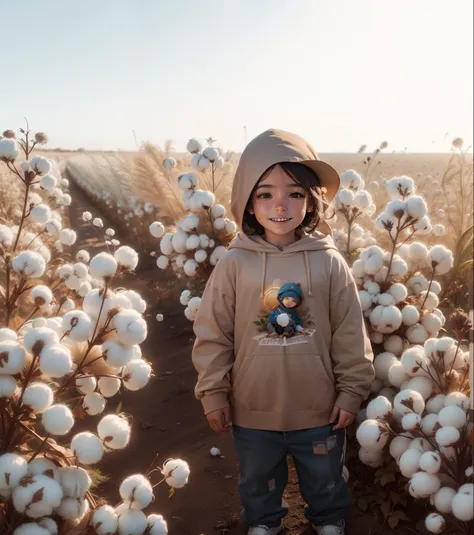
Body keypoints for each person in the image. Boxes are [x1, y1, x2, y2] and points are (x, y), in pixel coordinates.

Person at [192, 129, 374, 535]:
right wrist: (214, 390)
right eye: (264, 193)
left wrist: (350, 390)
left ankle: (328, 521)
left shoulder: (329, 263)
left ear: (312, 201)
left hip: (320, 409)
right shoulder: (234, 263)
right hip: (252, 409)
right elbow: (213, 331)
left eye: (294, 193)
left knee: (326, 479)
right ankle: (263, 524)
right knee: (258, 481)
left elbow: (349, 330)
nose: (279, 204)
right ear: (246, 202)